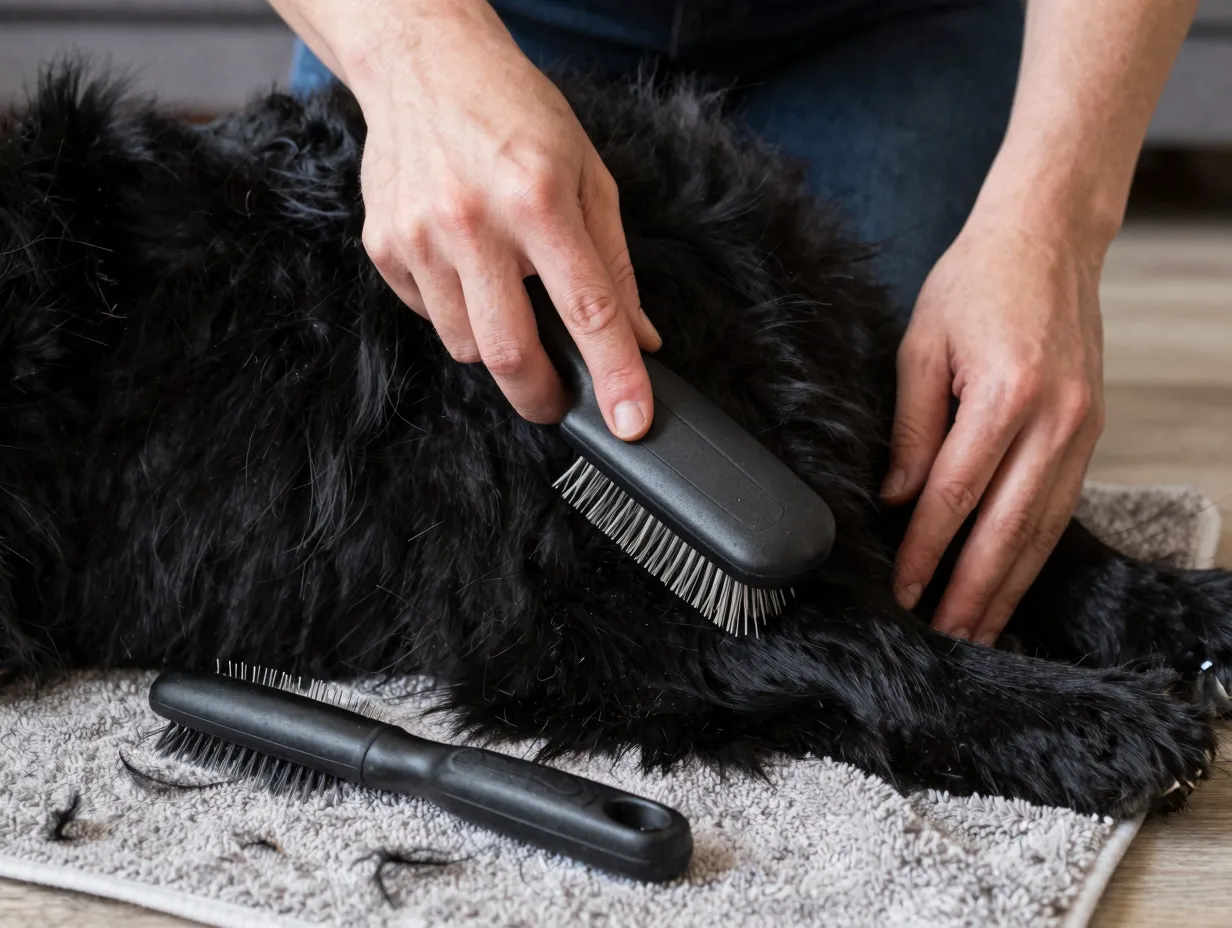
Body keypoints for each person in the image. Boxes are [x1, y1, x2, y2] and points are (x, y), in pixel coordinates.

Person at [267, 0, 1198, 646]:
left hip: (882, 27)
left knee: (880, 447)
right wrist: (413, 59)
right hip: (474, 25)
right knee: (397, 455)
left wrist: (1056, 222)